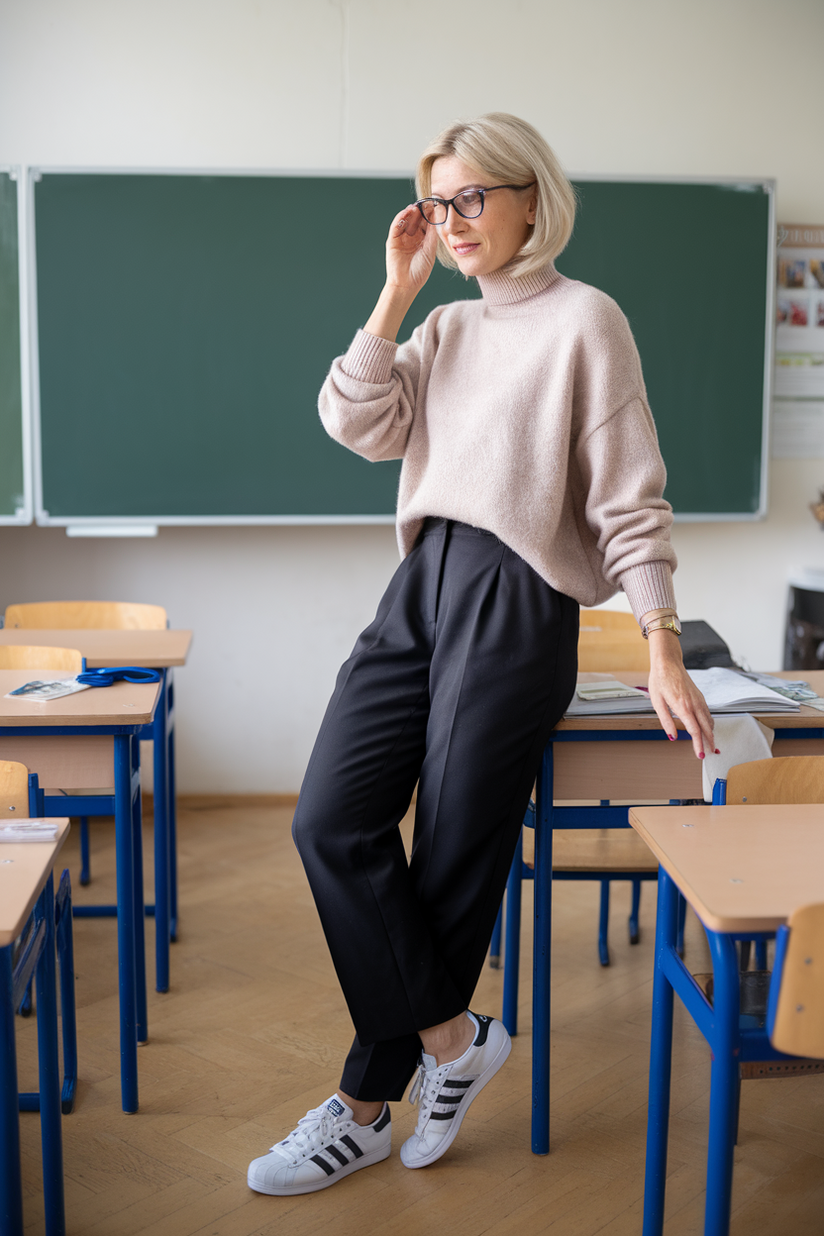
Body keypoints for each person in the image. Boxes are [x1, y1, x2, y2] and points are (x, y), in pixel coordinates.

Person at [247, 112, 715, 1197]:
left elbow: (627, 500)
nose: (451, 221)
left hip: (518, 601)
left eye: (470, 199)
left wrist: (658, 639)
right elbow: (351, 422)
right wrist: (396, 294)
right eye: (436, 202)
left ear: (527, 201)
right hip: (420, 583)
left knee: (452, 857)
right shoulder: (445, 330)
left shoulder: (586, 322)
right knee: (328, 815)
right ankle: (454, 1041)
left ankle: (364, 1105)